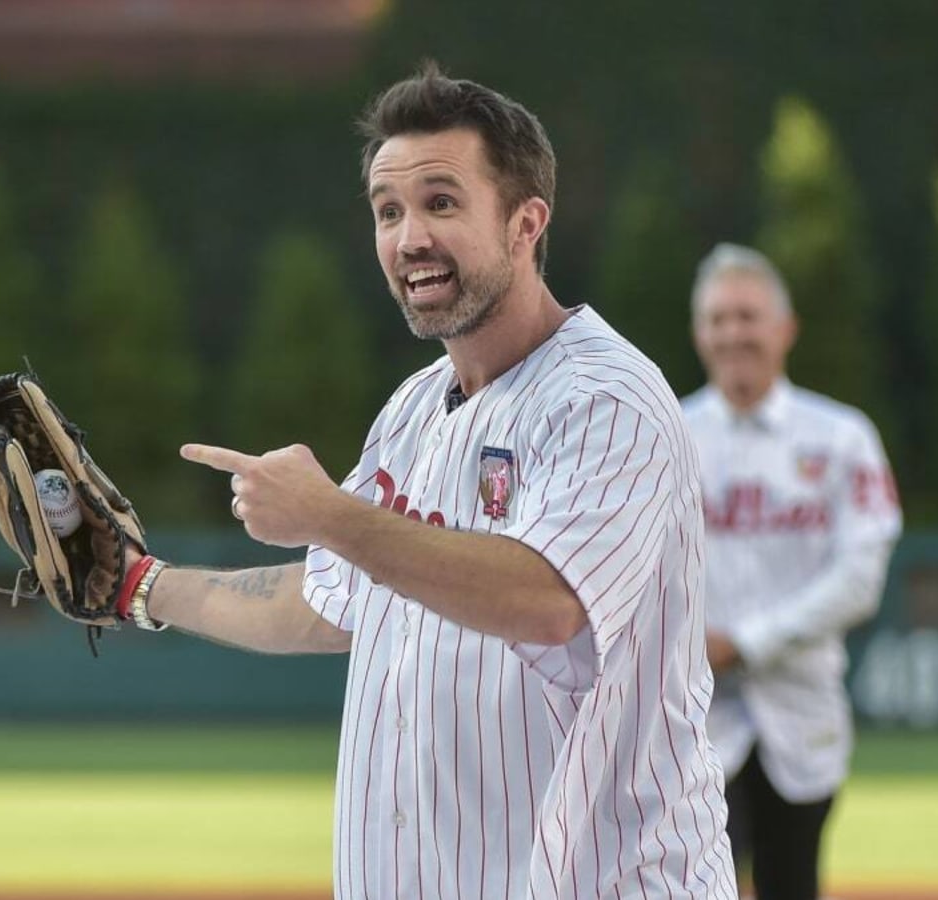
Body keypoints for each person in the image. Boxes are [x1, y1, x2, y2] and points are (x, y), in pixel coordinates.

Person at [120, 65, 737, 899]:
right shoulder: (413, 411)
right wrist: (141, 587)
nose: (409, 237)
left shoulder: (607, 399)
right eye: (388, 211)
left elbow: (551, 601)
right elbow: (330, 602)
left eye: (441, 202)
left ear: (526, 223)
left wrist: (332, 516)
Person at [680, 244, 901, 900]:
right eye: (718, 319)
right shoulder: (666, 434)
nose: (732, 333)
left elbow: (860, 576)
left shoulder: (841, 437)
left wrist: (745, 642)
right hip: (694, 716)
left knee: (792, 884)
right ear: (698, 333)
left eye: (747, 316)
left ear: (785, 329)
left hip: (800, 709)